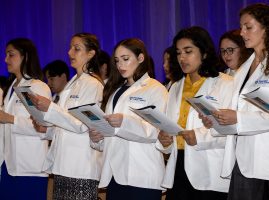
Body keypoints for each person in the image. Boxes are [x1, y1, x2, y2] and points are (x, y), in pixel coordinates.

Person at [211, 3, 269, 200]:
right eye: (241, 27)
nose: (242, 32)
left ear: (267, 27)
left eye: (248, 27)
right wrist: (218, 119)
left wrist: (237, 118)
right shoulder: (244, 68)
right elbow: (238, 111)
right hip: (242, 160)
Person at [156, 26, 233, 200]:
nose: (182, 57)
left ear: (204, 53)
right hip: (178, 167)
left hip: (209, 169)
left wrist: (199, 136)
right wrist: (165, 139)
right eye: (178, 52)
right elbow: (169, 125)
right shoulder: (176, 86)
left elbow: (233, 131)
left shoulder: (225, 84)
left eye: (188, 51)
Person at [89, 38, 168, 200]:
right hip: (115, 175)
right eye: (117, 61)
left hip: (142, 174)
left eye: (126, 59)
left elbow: (156, 131)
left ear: (140, 58)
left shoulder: (155, 89)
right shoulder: (114, 91)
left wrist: (124, 122)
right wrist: (98, 137)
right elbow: (111, 133)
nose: (120, 65)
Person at [29, 33, 104, 200]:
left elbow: (82, 125)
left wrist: (50, 108)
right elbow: (63, 123)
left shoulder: (93, 84)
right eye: (71, 48)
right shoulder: (73, 82)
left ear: (91, 54)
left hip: (81, 168)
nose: (70, 53)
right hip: (62, 166)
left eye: (76, 49)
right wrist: (45, 127)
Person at [0, 38, 52, 199]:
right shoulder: (11, 87)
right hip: (8, 166)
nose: (6, 59)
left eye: (11, 55)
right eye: (6, 55)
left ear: (26, 57)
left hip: (29, 168)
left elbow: (44, 127)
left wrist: (10, 119)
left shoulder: (37, 86)